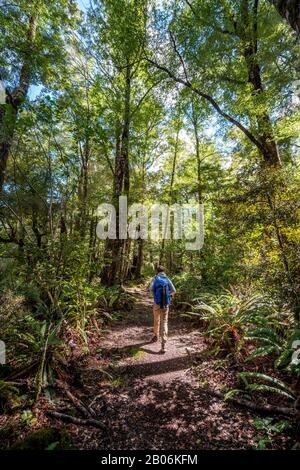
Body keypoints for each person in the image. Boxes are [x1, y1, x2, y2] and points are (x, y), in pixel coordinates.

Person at [149, 266, 176, 353]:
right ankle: (163, 345)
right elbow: (174, 291)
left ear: (157, 271)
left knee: (156, 320)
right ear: (164, 271)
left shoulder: (155, 278)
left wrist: (155, 296)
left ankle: (155, 335)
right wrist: (169, 296)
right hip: (165, 304)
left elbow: (150, 289)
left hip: (157, 303)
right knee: (164, 322)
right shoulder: (167, 279)